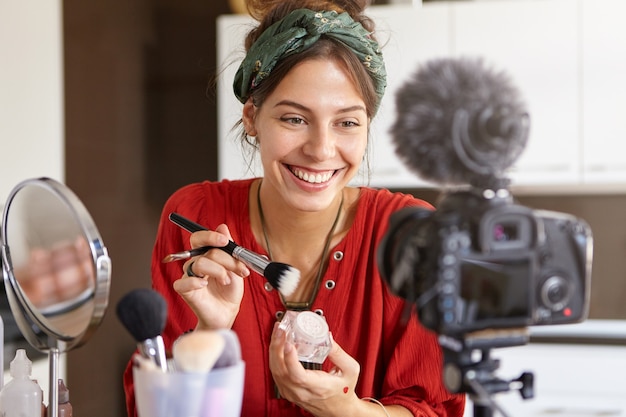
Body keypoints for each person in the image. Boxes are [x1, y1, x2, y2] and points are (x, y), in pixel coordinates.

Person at [123, 0, 466, 415]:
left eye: (347, 122)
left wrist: (344, 409)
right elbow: (154, 410)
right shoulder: (196, 217)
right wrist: (209, 333)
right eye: (294, 119)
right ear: (252, 117)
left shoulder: (411, 235)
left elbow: (435, 408)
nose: (321, 150)